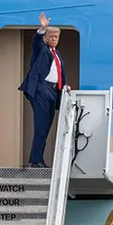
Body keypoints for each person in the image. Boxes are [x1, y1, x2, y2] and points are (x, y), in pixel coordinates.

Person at [18, 12, 68, 167]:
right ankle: (36, 161)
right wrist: (42, 29)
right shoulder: (42, 50)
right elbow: (37, 42)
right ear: (46, 38)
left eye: (56, 37)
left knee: (46, 127)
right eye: (51, 36)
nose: (53, 39)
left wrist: (64, 86)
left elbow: (58, 74)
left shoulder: (56, 54)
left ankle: (37, 159)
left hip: (53, 91)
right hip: (42, 90)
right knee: (41, 127)